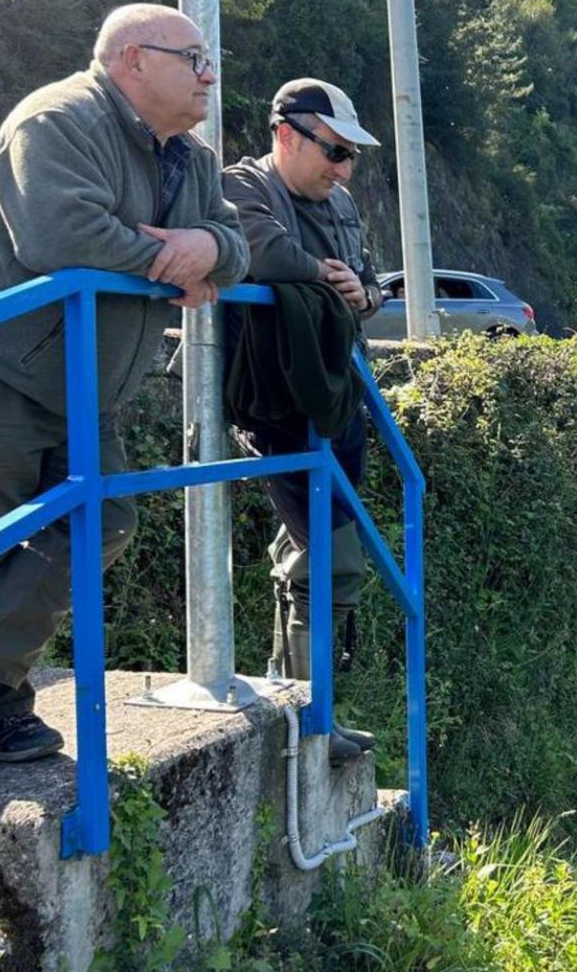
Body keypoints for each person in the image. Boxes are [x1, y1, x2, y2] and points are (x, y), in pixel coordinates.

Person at [0, 3, 249, 770]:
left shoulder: (192, 158)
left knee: (106, 516)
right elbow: (58, 235)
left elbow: (238, 245)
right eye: (192, 58)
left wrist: (205, 244)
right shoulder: (57, 119)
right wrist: (172, 263)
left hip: (82, 380)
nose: (209, 75)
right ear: (131, 60)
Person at [222, 78, 383, 766]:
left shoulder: (341, 201)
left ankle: (297, 708)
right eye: (335, 151)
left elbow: (373, 285)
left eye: (351, 156)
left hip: (337, 396)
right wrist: (328, 276)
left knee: (307, 554)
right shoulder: (241, 186)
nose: (344, 168)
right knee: (331, 557)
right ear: (286, 132)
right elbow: (257, 251)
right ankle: (310, 716)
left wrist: (362, 292)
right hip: (278, 404)